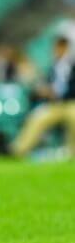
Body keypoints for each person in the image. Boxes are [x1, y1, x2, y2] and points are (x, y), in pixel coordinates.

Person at [11, 30, 75, 158]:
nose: (57, 50)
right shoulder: (53, 66)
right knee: (37, 118)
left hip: (70, 103)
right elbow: (48, 84)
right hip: (54, 105)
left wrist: (58, 94)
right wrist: (45, 91)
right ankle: (18, 150)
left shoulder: (72, 66)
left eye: (60, 46)